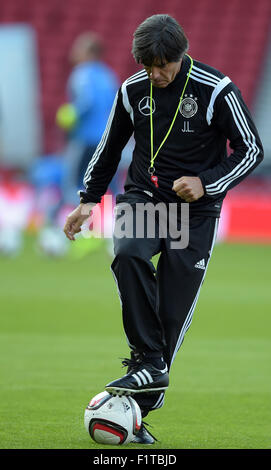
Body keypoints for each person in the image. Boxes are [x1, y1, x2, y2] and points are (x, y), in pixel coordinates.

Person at [63, 15, 263, 444]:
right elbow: (110, 144)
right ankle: (147, 362)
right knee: (128, 253)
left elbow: (251, 150)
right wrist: (87, 200)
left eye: (162, 66)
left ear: (180, 56)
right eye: (147, 65)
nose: (154, 74)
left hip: (196, 212)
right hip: (145, 198)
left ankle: (136, 412)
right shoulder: (132, 90)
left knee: (171, 316)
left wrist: (207, 182)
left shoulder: (216, 90)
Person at [56, 31, 119, 208]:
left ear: (90, 53)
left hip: (84, 139)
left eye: (79, 48)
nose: (74, 52)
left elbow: (86, 101)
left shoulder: (81, 73)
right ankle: (117, 222)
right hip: (106, 139)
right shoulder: (108, 75)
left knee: (72, 181)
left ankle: (70, 221)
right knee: (109, 183)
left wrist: (70, 114)